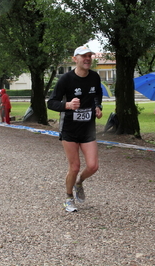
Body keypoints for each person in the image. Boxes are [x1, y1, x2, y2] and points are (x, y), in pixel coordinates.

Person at [47, 46, 103, 212]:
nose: (87, 59)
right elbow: (51, 102)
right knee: (75, 166)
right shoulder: (66, 79)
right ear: (75, 59)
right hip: (70, 129)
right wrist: (68, 105)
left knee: (93, 166)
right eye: (83, 56)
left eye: (89, 56)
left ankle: (79, 183)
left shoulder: (94, 77)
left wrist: (98, 106)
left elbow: (97, 95)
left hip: (88, 129)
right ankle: (68, 197)